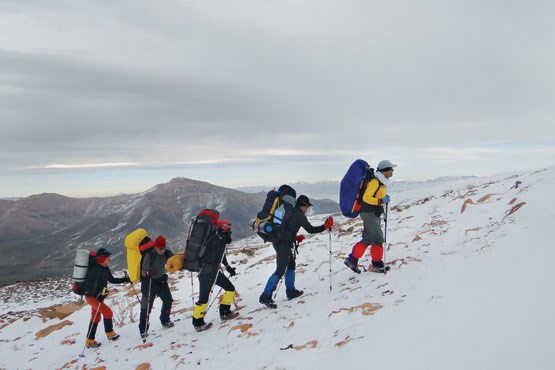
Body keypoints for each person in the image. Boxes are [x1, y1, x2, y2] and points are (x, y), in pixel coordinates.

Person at [259, 195, 334, 308]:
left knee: (291, 266)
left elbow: (286, 229)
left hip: (280, 241)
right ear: (303, 205)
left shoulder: (291, 212)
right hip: (283, 244)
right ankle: (265, 296)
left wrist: (295, 238)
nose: (307, 209)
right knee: (280, 270)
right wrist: (325, 226)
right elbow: (311, 229)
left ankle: (291, 291)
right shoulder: (299, 216)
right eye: (307, 206)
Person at [344, 159, 396, 273]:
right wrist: (380, 200)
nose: (393, 171)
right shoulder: (375, 182)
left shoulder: (382, 181)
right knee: (378, 238)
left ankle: (352, 259)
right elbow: (366, 198)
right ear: (385, 170)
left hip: (373, 212)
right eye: (391, 169)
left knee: (368, 238)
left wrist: (381, 201)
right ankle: (377, 264)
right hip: (368, 213)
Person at [192, 219, 238, 332]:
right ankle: (197, 322)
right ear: (221, 229)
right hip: (206, 272)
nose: (229, 232)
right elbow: (212, 255)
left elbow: (221, 255)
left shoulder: (220, 240)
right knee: (203, 298)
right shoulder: (215, 240)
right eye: (227, 230)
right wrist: (224, 266)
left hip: (213, 271)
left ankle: (225, 312)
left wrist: (227, 267)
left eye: (229, 229)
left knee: (230, 288)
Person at [83, 248, 131, 348]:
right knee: (108, 312)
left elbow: (112, 280)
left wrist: (126, 279)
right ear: (101, 259)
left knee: (96, 316)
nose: (109, 259)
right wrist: (97, 296)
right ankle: (110, 333)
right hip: (92, 297)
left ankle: (90, 340)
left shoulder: (105, 268)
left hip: (100, 295)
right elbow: (87, 287)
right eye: (107, 258)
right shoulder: (94, 270)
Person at [138, 235, 175, 339]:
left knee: (168, 300)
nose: (162, 251)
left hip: (161, 280)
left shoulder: (167, 253)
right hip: (149, 282)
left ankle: (165, 319)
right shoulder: (150, 255)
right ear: (155, 247)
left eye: (163, 248)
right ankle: (143, 328)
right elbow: (143, 272)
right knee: (147, 306)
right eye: (160, 248)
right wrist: (148, 272)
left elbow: (174, 261)